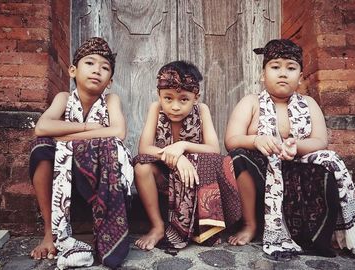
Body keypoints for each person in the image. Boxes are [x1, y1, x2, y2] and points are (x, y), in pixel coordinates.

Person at [224, 39, 355, 258]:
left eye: (290, 68)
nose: (283, 73)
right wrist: (256, 141)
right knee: (238, 157)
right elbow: (231, 139)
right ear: (263, 74)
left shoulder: (308, 103)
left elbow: (320, 141)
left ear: (300, 78)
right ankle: (250, 224)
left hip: (296, 171)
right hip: (262, 171)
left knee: (329, 162)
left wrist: (295, 145)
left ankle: (318, 231)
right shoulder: (251, 102)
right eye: (275, 67)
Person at [28, 37, 133, 269]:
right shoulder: (63, 99)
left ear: (110, 81)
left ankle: (104, 233)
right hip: (66, 176)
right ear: (73, 70)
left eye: (105, 68)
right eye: (90, 63)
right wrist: (88, 128)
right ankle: (49, 233)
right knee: (42, 147)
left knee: (107, 148)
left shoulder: (111, 100)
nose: (97, 71)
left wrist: (65, 137)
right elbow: (43, 128)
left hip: (101, 174)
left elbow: (117, 132)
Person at [133, 61, 241, 250]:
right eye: (168, 98)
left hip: (192, 179)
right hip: (164, 179)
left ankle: (204, 226)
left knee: (219, 161)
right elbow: (144, 148)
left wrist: (182, 146)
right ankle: (158, 226)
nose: (175, 106)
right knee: (141, 166)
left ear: (195, 97)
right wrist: (176, 158)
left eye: (183, 99)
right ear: (159, 96)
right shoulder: (155, 109)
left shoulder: (202, 110)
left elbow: (214, 148)